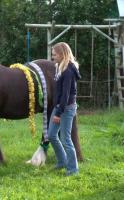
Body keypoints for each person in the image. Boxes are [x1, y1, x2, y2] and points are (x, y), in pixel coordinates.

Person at [48, 42, 81, 176]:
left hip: (66, 108)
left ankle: (73, 169)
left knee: (66, 138)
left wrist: (58, 113)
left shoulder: (68, 71)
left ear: (62, 55)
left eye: (54, 54)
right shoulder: (60, 67)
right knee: (51, 135)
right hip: (59, 107)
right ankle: (62, 161)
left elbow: (66, 94)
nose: (52, 57)